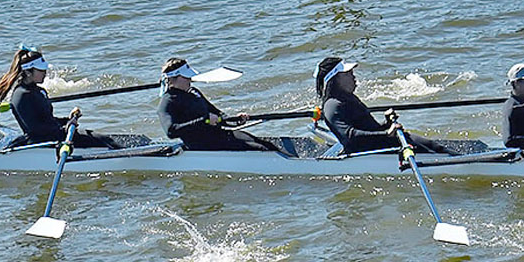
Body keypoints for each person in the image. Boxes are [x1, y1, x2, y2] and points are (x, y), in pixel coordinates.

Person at [0, 47, 123, 149]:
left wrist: (67, 120)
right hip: (42, 142)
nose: (45, 73)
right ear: (28, 72)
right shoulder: (21, 96)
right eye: (41, 70)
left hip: (54, 135)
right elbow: (36, 129)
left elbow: (48, 120)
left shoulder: (38, 90)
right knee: (104, 141)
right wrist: (66, 128)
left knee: (103, 138)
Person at [314, 56, 447, 155]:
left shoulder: (348, 98)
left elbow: (369, 128)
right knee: (430, 151)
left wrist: (386, 124)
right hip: (369, 152)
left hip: (380, 143)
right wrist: (387, 134)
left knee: (434, 146)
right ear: (336, 79)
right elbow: (351, 138)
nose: (354, 77)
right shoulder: (332, 106)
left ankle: (458, 158)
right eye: (349, 74)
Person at [156, 57, 281, 153]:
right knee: (261, 149)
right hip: (201, 144)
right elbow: (171, 131)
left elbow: (219, 115)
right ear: (174, 78)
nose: (190, 80)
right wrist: (204, 120)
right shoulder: (168, 101)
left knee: (266, 144)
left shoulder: (194, 92)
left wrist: (236, 120)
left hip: (218, 135)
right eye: (186, 77)